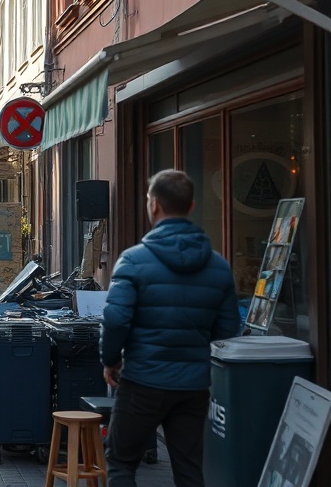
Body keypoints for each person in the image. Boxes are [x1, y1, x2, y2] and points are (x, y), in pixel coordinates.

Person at [100, 169, 241, 486]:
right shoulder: (218, 265)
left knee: (121, 461)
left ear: (154, 206)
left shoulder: (134, 260)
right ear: (191, 207)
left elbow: (115, 318)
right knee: (189, 468)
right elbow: (229, 329)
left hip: (141, 381)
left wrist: (110, 360)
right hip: (193, 386)